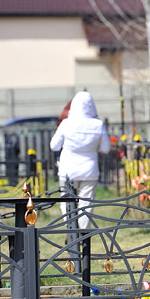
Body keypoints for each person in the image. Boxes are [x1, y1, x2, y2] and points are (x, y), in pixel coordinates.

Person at [50, 91, 111, 229]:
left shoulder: (66, 124)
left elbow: (54, 146)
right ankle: (82, 235)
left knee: (66, 202)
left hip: (67, 169)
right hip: (89, 170)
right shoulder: (97, 125)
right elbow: (106, 148)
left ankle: (71, 229)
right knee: (86, 205)